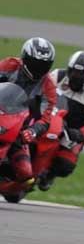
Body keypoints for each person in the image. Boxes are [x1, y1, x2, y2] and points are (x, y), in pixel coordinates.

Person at [36, 51, 84, 191]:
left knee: (65, 164)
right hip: (46, 119)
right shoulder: (57, 76)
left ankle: (50, 174)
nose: (76, 77)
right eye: (74, 72)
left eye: (82, 75)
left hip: (71, 132)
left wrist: (78, 134)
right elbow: (38, 93)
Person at [0, 38, 57, 188]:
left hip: (20, 127)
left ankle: (8, 187)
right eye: (35, 64)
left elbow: (45, 118)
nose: (38, 69)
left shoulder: (48, 85)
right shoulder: (9, 65)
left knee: (25, 174)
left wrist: (32, 131)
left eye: (43, 65)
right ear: (24, 58)